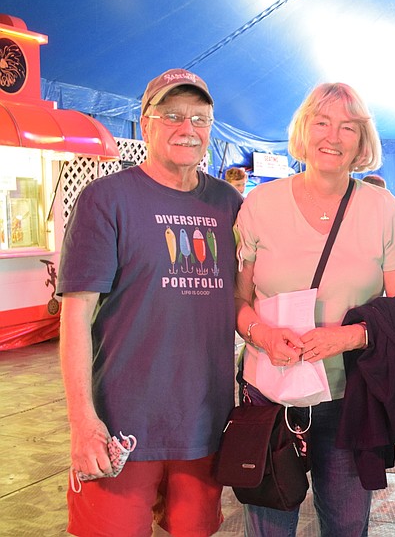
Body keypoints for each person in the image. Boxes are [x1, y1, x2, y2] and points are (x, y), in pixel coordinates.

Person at [57, 68, 242, 535]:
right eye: (172, 116)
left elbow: (249, 299)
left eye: (200, 119)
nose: (188, 129)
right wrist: (82, 422)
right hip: (121, 424)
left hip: (204, 423)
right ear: (145, 124)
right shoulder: (106, 200)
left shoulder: (229, 205)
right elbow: (75, 317)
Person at [234, 82, 395, 536]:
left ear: (361, 142)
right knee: (268, 526)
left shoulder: (382, 208)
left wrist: (350, 336)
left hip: (347, 399)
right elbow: (238, 301)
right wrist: (262, 335)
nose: (332, 137)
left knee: (347, 526)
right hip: (270, 395)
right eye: (322, 122)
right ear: (304, 129)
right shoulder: (260, 204)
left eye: (348, 127)